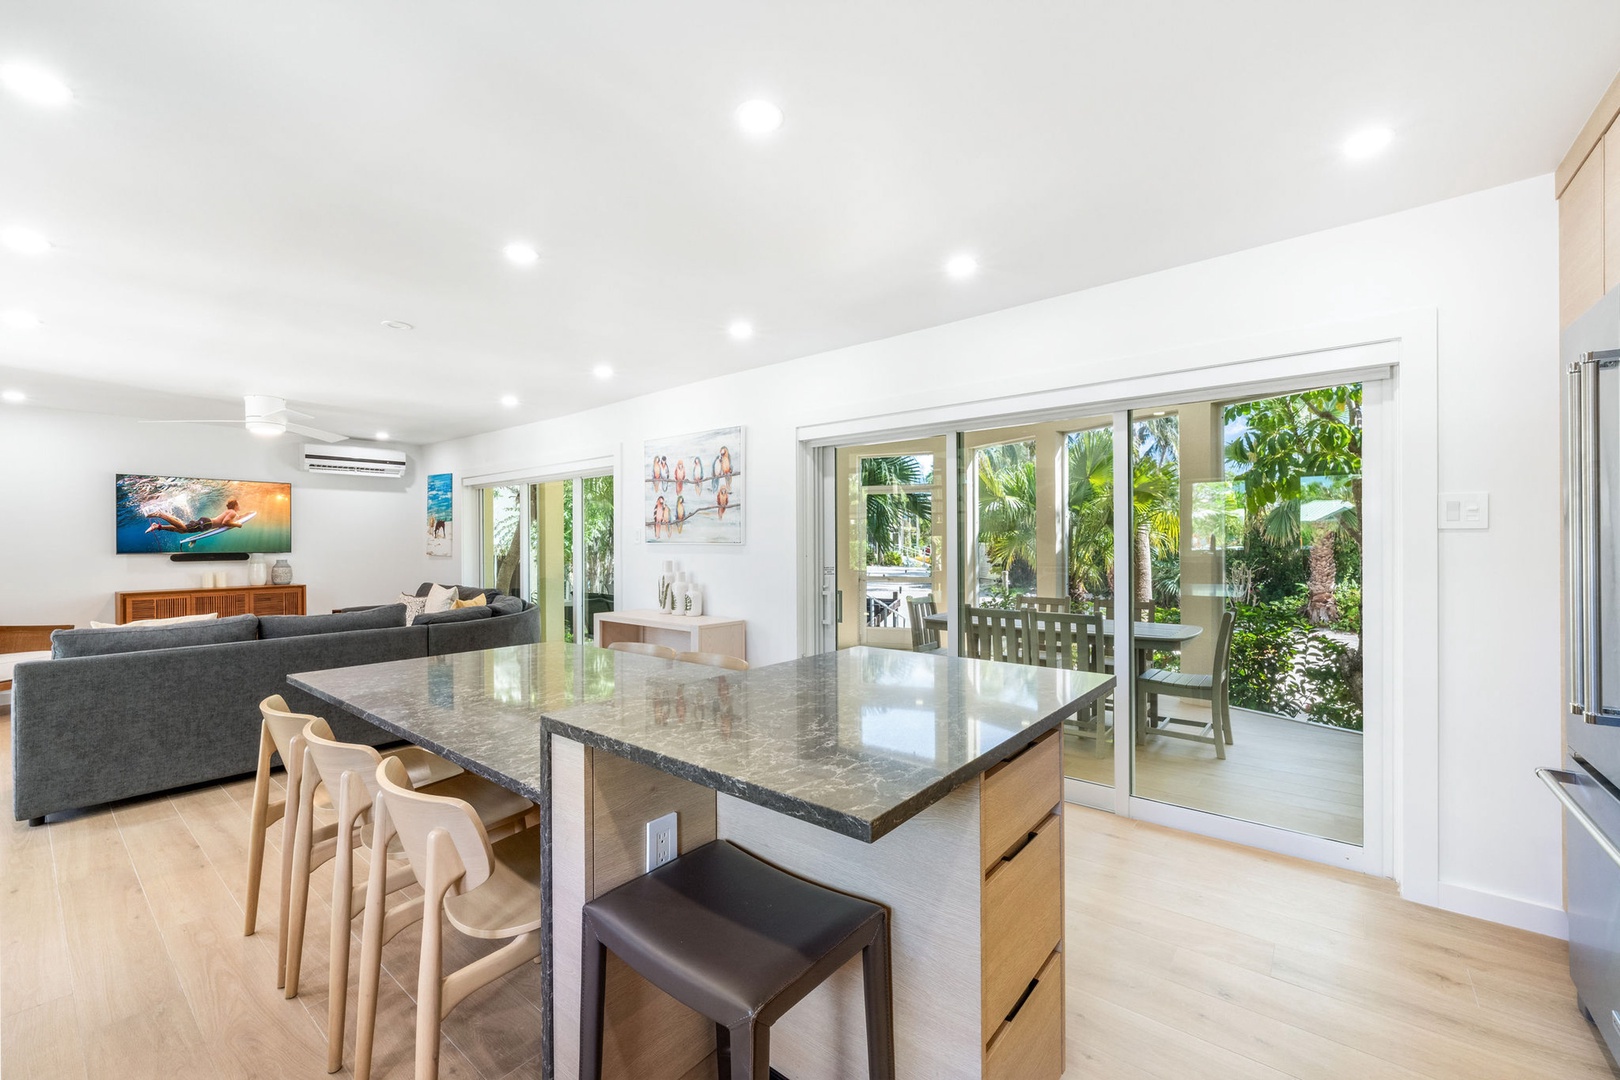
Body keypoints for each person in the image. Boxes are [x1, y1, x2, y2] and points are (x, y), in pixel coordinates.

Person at [146, 499, 244, 534]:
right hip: (206, 523)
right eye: (238, 504)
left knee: (181, 530)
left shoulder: (231, 512)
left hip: (206, 523)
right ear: (235, 506)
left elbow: (227, 521)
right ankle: (160, 514)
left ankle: (158, 526)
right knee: (183, 528)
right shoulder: (232, 512)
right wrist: (237, 525)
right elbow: (225, 522)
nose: (239, 506)